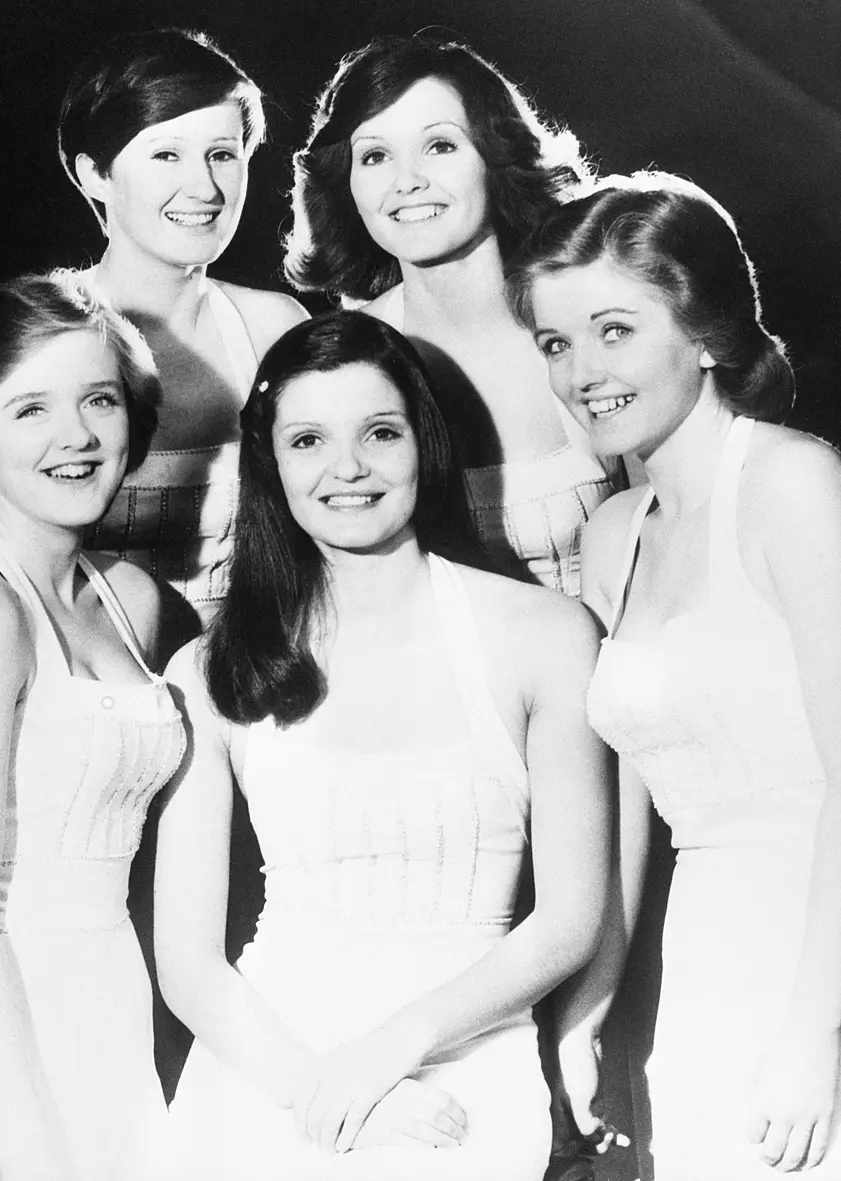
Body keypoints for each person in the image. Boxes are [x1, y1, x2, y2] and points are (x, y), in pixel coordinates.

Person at [155, 310, 610, 1180]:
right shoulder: (207, 667)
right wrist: (319, 1088)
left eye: (379, 432)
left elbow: (569, 917)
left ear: (423, 442)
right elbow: (186, 963)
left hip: (462, 1061)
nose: (347, 468)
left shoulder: (544, 634)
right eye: (308, 440)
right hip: (264, 1065)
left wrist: (387, 1054)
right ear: (270, 460)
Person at [513, 172, 841, 1180]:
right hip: (708, 957)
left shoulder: (791, 482)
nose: (579, 373)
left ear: (701, 331)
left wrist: (811, 1034)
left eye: (612, 330)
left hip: (813, 958)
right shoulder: (613, 532)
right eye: (556, 343)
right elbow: (624, 811)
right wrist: (590, 1009)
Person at [0, 273, 186, 1180]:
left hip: (112, 1002)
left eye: (98, 399)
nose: (77, 437)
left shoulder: (126, 598)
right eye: (30, 410)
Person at [0, 27, 307, 657]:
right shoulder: (12, 337)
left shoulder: (275, 328)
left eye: (223, 154)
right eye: (166, 155)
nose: (204, 189)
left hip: (255, 685)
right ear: (95, 174)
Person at [285, 35, 623, 597]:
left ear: (494, 159)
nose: (406, 180)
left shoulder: (588, 323)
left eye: (439, 146)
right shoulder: (338, 361)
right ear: (346, 184)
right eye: (374, 156)